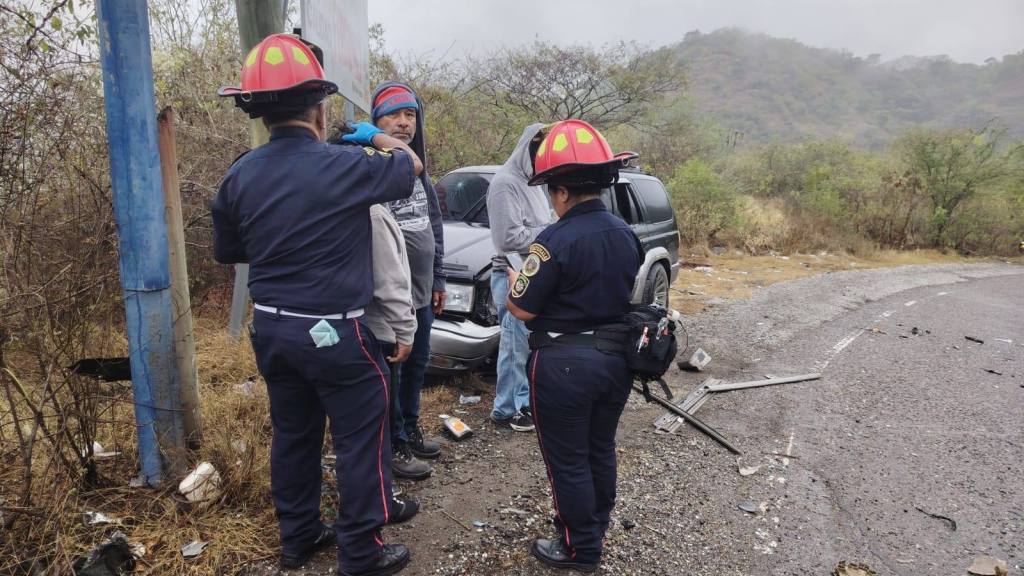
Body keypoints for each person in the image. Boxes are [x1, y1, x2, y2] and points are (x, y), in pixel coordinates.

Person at [213, 34, 420, 576]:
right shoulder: (346, 166)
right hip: (338, 337)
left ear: (257, 112)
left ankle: (299, 536)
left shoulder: (239, 174)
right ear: (322, 110)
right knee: (360, 443)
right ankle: (361, 554)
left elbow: (229, 251)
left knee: (294, 436)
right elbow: (411, 167)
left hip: (274, 332)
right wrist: (376, 136)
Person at [506, 119, 643, 572]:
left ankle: (580, 547)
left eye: (550, 191)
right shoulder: (624, 233)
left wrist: (514, 285)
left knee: (568, 460)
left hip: (564, 364)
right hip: (615, 359)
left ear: (561, 191)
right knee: (599, 447)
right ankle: (595, 526)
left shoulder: (551, 241)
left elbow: (521, 309)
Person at [370, 82, 445, 478]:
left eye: (410, 115)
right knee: (392, 372)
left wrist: (440, 279)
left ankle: (410, 428)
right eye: (393, 115)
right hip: (388, 299)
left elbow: (434, 227)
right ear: (377, 121)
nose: (403, 123)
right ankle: (394, 443)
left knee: (417, 366)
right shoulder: (372, 166)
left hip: (420, 293)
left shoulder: (421, 174)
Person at [486, 123, 552, 432]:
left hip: (532, 269)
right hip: (510, 271)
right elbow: (507, 238)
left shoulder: (535, 182)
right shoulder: (505, 183)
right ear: (528, 147)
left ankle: (524, 403)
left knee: (526, 342)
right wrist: (553, 231)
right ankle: (507, 410)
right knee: (514, 343)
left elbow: (543, 222)